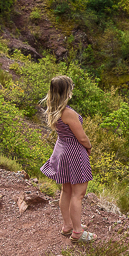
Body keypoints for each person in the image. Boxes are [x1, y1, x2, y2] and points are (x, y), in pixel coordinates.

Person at [39, 75, 95, 243]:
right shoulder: (68, 113)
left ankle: (67, 226)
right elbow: (82, 138)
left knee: (66, 190)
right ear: (66, 91)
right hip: (74, 153)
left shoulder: (54, 109)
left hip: (62, 150)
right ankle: (78, 232)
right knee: (78, 194)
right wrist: (89, 148)